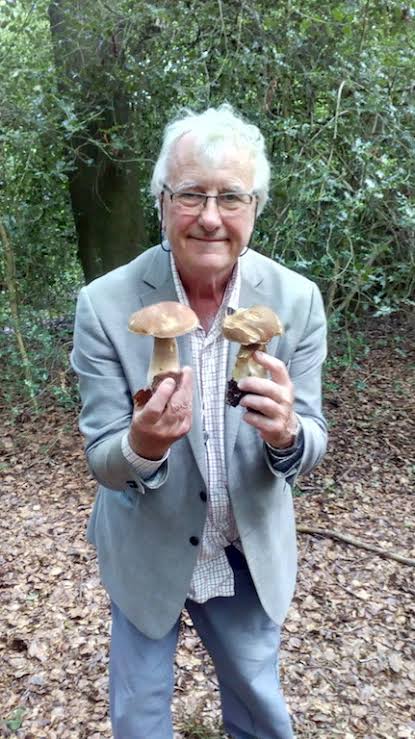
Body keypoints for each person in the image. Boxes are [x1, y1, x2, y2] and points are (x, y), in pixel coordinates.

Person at [71, 103, 327, 739]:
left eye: (231, 197)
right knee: (139, 716)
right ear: (162, 201)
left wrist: (287, 435)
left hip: (245, 545)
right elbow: (103, 458)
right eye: (191, 194)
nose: (210, 217)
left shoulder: (296, 301)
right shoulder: (104, 304)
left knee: (260, 711)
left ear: (256, 207)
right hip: (146, 547)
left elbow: (312, 436)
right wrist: (141, 446)